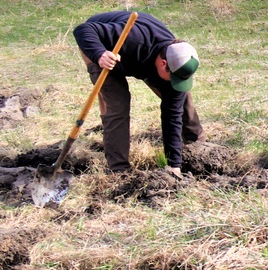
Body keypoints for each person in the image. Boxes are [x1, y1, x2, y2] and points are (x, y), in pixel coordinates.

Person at [73, 11, 202, 175]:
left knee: (180, 98)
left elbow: (172, 116)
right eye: (174, 77)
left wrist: (174, 165)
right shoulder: (134, 39)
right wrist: (99, 54)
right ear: (163, 64)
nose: (175, 81)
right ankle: (119, 170)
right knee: (118, 105)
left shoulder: (176, 59)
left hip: (139, 59)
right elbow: (83, 29)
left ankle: (197, 148)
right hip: (103, 46)